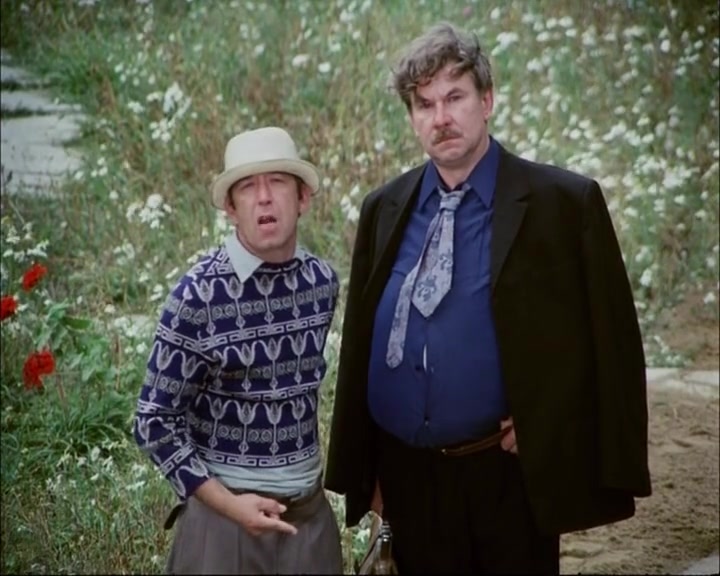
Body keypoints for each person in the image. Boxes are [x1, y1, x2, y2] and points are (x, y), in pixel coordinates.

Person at [324, 22, 652, 574]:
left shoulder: (562, 204)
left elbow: (609, 342)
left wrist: (548, 421)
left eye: (455, 97)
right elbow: (361, 342)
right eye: (424, 104)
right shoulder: (385, 207)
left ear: (487, 100)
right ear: (412, 118)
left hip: (507, 477)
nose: (441, 118)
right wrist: (368, 467)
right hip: (408, 477)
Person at [133, 126, 343, 575]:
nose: (264, 198)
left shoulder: (321, 283)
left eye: (278, 182)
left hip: (308, 522)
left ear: (303, 198)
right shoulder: (197, 296)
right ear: (230, 208)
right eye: (247, 186)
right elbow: (153, 421)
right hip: (223, 527)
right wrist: (229, 505)